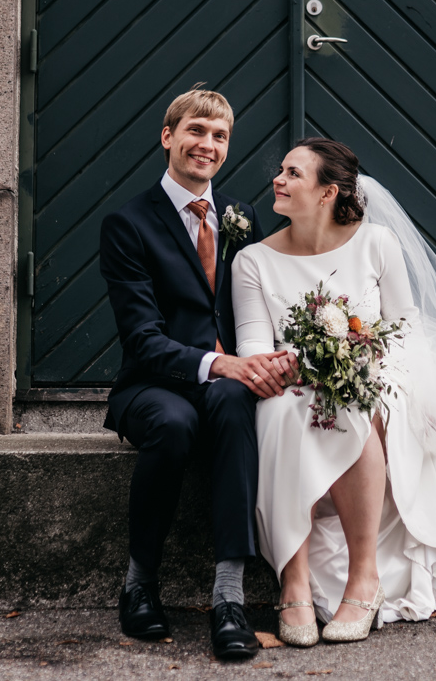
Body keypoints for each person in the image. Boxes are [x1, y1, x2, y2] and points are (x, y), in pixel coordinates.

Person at [231, 138, 436, 646]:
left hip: (378, 376)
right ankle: (293, 583)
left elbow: (404, 328)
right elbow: (253, 349)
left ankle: (364, 577)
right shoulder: (252, 260)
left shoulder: (377, 243)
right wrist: (296, 368)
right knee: (289, 412)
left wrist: (358, 365)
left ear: (327, 192)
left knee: (350, 403)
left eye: (293, 173)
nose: (279, 179)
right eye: (282, 171)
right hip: (290, 385)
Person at [99, 86, 297, 661]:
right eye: (195, 131)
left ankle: (229, 597)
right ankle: (139, 584)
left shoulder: (243, 215)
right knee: (175, 422)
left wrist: (276, 357)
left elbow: (261, 300)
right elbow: (142, 338)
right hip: (151, 385)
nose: (206, 145)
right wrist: (219, 363)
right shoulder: (128, 224)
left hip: (228, 385)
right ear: (168, 136)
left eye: (219, 136)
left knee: (235, 403)